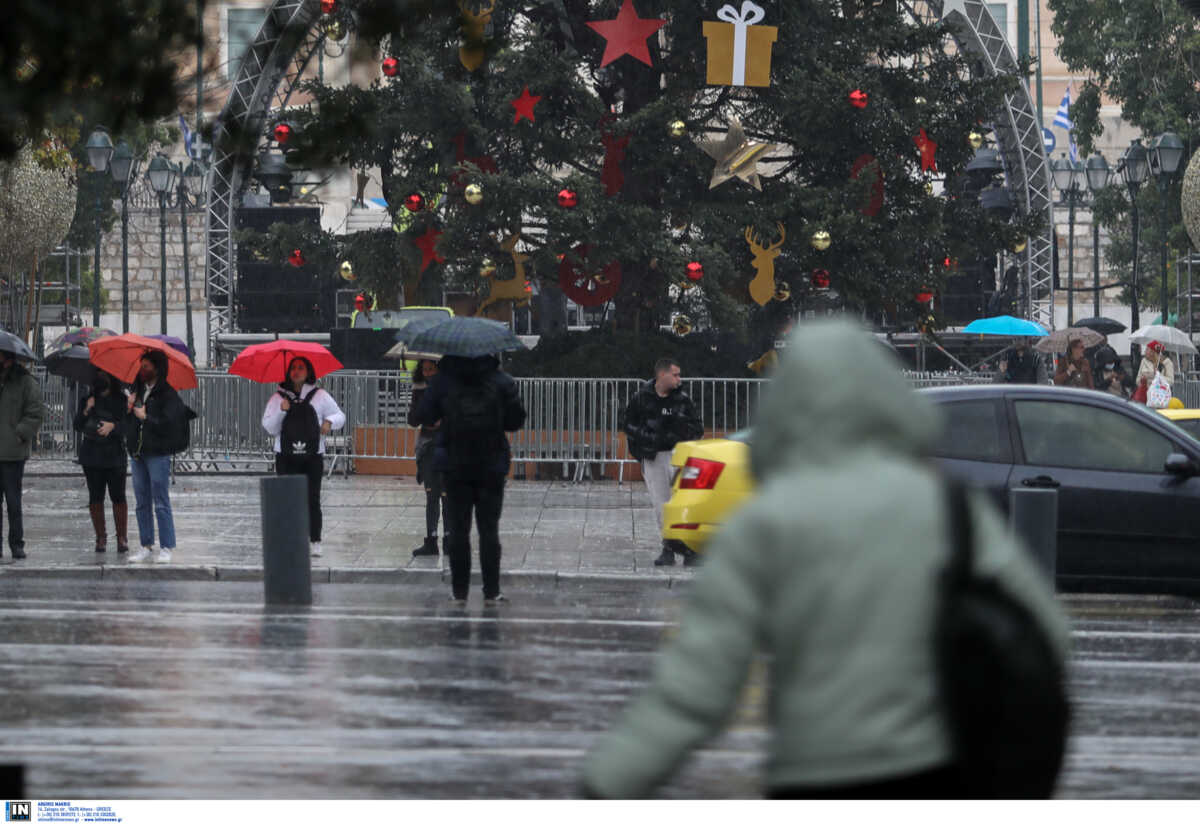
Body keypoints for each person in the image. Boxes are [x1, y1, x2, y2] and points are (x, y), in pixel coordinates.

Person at [581, 320, 1069, 799]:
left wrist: (608, 783)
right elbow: (1041, 625)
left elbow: (696, 688)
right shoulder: (947, 507)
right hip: (931, 765)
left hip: (814, 770)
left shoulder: (766, 524)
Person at [412, 353, 526, 604]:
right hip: (490, 464)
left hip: (455, 465)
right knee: (488, 530)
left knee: (459, 530)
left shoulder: (444, 382)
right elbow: (515, 420)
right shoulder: (501, 381)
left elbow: (423, 415)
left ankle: (460, 591)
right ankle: (491, 590)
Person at [261, 356, 346, 558]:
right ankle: (289, 539)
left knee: (312, 498)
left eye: (301, 367)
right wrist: (282, 412)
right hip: (285, 455)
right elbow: (270, 428)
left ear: (308, 372)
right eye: (293, 368)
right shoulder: (277, 398)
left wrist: (329, 421)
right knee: (286, 499)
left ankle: (315, 540)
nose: (296, 371)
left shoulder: (321, 395)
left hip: (313, 455)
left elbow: (340, 416)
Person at [623, 358, 703, 567]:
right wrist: (647, 439)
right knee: (661, 505)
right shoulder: (641, 398)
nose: (679, 379)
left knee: (684, 502)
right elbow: (628, 425)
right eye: (675, 374)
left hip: (678, 454)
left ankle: (690, 549)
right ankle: (668, 547)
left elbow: (697, 428)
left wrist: (681, 434)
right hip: (654, 457)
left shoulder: (682, 399)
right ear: (662, 375)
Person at [125, 350, 188, 564]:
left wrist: (147, 417)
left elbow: (169, 423)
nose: (142, 370)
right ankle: (145, 544)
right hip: (138, 452)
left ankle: (167, 546)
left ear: (157, 368)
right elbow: (129, 422)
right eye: (141, 366)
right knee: (141, 500)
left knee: (160, 500)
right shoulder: (137, 390)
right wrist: (129, 408)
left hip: (158, 453)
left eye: (146, 366)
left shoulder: (167, 394)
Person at [72, 370, 128, 554]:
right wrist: (87, 409)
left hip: (114, 455)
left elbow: (128, 426)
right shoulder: (88, 398)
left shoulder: (120, 399)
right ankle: (101, 537)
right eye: (98, 373)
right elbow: (77, 424)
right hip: (92, 455)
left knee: (118, 496)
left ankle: (121, 537)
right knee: (95, 497)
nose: (101, 377)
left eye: (105, 374)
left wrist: (114, 426)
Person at [0, 348, 44, 559]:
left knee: (13, 501)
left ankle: (16, 543)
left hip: (13, 452)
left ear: (7, 357)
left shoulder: (25, 382)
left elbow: (35, 413)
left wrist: (20, 434)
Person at [407, 358, 445, 558]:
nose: (428, 373)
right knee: (432, 495)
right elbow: (412, 419)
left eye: (432, 369)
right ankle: (431, 540)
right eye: (425, 369)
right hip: (428, 446)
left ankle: (450, 540)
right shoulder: (419, 390)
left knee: (447, 496)